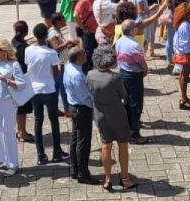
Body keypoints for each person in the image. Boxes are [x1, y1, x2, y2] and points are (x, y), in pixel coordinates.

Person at [87, 46, 137, 192]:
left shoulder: (90, 74)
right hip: (116, 113)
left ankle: (107, 178)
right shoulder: (115, 78)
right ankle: (125, 178)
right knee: (122, 144)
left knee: (105, 144)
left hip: (99, 114)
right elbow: (124, 95)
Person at [0, 38, 26, 175]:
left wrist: (7, 80)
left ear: (3, 51)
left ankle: (12, 164)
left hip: (8, 102)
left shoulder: (14, 65)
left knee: (8, 131)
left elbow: (21, 84)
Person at [27, 23, 66, 165]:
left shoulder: (28, 50)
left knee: (38, 121)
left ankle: (40, 154)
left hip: (34, 90)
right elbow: (56, 73)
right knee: (53, 120)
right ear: (46, 36)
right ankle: (56, 151)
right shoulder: (51, 53)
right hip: (49, 90)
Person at [62, 47, 95, 183]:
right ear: (78, 58)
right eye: (84, 54)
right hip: (82, 109)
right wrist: (93, 106)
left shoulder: (68, 67)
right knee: (83, 142)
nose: (86, 55)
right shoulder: (77, 75)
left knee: (75, 139)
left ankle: (75, 170)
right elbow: (85, 97)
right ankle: (83, 173)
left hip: (73, 106)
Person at [114, 19, 148, 140]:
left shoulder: (119, 41)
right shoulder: (134, 45)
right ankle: (134, 134)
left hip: (123, 73)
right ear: (132, 30)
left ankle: (127, 130)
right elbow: (142, 63)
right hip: (134, 76)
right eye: (135, 27)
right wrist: (145, 71)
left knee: (127, 103)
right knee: (136, 105)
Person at [171, 2, 190, 110]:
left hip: (186, 52)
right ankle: (183, 98)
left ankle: (184, 97)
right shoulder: (185, 25)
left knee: (184, 76)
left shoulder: (187, 23)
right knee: (184, 76)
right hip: (185, 54)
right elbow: (182, 43)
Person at [11, 21, 34, 142]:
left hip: (14, 77)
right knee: (23, 108)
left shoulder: (14, 41)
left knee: (18, 107)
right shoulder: (23, 47)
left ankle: (19, 129)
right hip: (22, 78)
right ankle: (22, 132)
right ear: (26, 31)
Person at [74, 0, 100, 68]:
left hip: (97, 32)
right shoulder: (83, 1)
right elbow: (75, 15)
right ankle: (86, 70)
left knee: (96, 52)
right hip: (88, 33)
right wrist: (82, 27)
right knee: (88, 53)